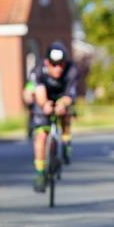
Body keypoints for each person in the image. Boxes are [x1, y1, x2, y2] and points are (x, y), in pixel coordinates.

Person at [23, 41, 78, 192]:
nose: (58, 68)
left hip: (62, 97)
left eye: (61, 64)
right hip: (44, 98)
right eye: (54, 65)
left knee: (66, 114)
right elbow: (38, 91)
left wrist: (62, 103)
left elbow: (70, 95)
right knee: (41, 136)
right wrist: (44, 105)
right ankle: (40, 172)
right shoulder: (39, 70)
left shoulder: (71, 70)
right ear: (47, 62)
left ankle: (66, 142)